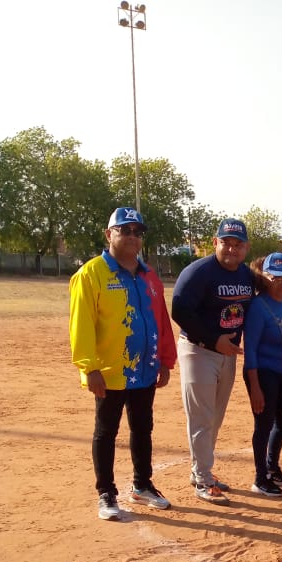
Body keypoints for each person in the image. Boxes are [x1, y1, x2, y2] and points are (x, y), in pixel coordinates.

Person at [70, 207, 177, 521]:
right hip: (109, 372)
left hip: (145, 369)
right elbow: (81, 324)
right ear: (109, 234)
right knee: (106, 432)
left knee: (143, 428)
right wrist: (89, 368)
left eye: (137, 232)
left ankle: (142, 485)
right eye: (124, 230)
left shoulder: (149, 276)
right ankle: (106, 492)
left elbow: (161, 320)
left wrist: (165, 360)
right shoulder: (91, 274)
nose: (132, 236)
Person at [172, 218, 253, 504]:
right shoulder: (199, 272)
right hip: (198, 350)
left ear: (246, 248)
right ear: (215, 242)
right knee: (202, 418)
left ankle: (201, 471)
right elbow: (180, 310)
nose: (232, 249)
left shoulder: (246, 274)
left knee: (215, 418)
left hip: (226, 354)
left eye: (238, 244)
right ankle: (203, 478)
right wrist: (212, 339)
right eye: (226, 243)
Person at [242, 253, 282, 497]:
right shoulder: (258, 307)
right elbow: (250, 350)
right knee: (264, 424)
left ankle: (272, 468)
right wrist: (255, 387)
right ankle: (260, 478)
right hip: (262, 372)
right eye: (277, 278)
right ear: (265, 277)